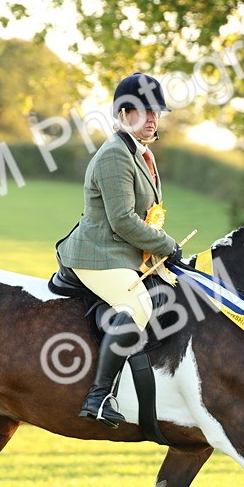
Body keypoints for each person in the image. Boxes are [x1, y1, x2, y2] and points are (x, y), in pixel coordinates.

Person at [55, 72, 183, 427]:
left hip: (128, 254)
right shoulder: (114, 155)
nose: (152, 120)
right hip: (99, 254)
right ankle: (97, 398)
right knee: (137, 305)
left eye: (156, 113)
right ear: (124, 114)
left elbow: (148, 217)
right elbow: (123, 221)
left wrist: (160, 252)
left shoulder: (142, 155)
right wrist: (167, 245)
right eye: (144, 112)